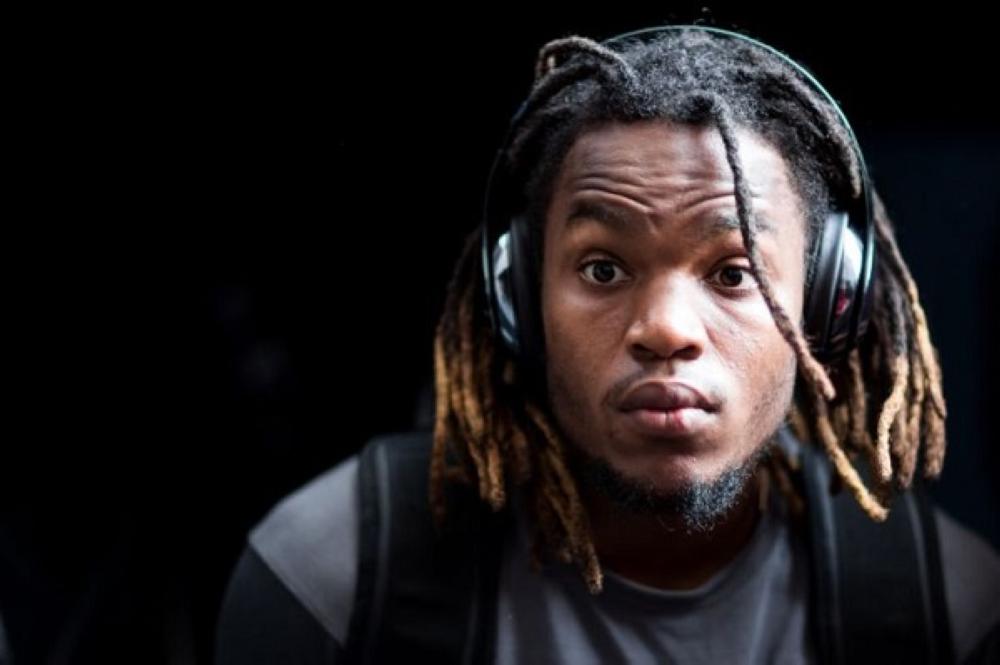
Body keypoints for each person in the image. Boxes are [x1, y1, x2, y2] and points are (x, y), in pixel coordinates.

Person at [214, 26, 1000, 664]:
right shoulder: (328, 579)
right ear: (518, 293)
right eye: (602, 266)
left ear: (828, 302)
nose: (665, 328)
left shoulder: (953, 609)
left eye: (735, 272)